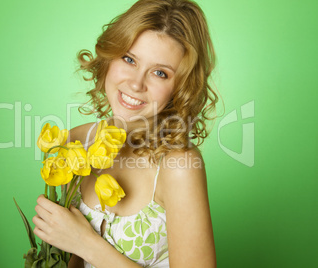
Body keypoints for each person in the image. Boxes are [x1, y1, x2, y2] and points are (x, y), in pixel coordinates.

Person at [32, 0, 219, 267]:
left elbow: (80, 245)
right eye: (129, 59)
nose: (135, 83)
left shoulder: (179, 166)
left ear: (181, 87)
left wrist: (85, 243)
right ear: (110, 57)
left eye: (159, 73)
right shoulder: (75, 143)